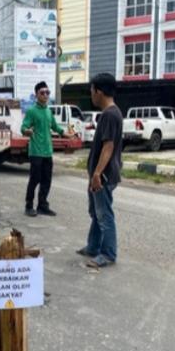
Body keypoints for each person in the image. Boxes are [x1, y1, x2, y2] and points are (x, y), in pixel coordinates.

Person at [76, 73, 123, 269]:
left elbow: (108, 147)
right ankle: (93, 247)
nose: (91, 94)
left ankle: (108, 254)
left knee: (104, 214)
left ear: (99, 91)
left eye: (92, 90)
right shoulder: (110, 113)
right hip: (100, 174)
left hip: (103, 175)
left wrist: (96, 174)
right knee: (96, 213)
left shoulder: (110, 115)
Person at [21, 81, 75, 217]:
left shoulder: (48, 111)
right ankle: (29, 206)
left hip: (47, 152)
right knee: (35, 179)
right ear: (36, 95)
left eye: (47, 92)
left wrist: (66, 134)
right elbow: (23, 127)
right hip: (36, 152)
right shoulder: (32, 111)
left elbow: (56, 127)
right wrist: (27, 131)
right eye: (42, 93)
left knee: (47, 179)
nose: (45, 95)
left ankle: (42, 205)